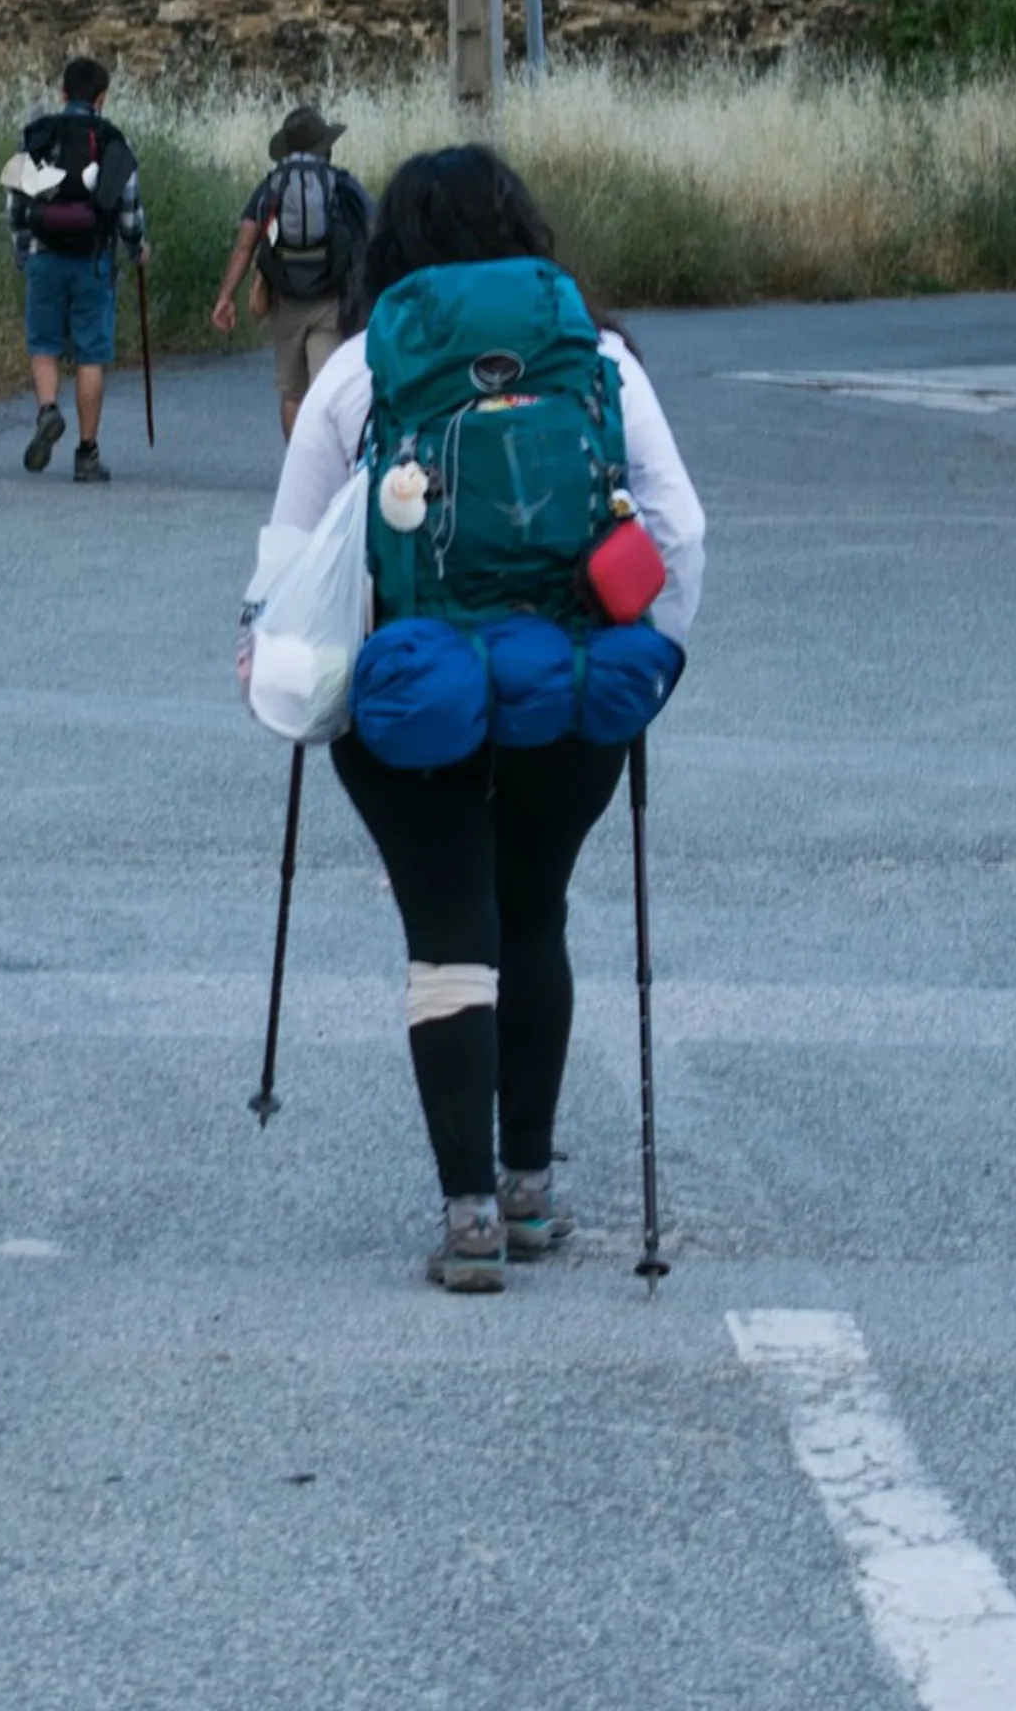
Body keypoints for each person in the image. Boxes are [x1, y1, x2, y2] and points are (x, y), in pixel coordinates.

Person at [264, 145, 704, 1292]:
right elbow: (678, 529)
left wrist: (286, 674)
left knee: (449, 925)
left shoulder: (359, 372)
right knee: (535, 913)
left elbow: (294, 558)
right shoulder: (598, 359)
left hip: (411, 695)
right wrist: (651, 654)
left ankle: (466, 1219)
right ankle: (531, 1193)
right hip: (572, 684)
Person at [2, 55, 148, 484]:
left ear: (63, 94)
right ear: (101, 98)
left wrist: (23, 249)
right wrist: (137, 247)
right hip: (93, 260)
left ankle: (48, 410)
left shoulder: (39, 135)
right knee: (91, 355)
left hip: (45, 256)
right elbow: (129, 208)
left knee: (43, 344)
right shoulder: (113, 141)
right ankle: (87, 454)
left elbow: (15, 203)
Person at [211, 103, 372, 437]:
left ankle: (296, 468)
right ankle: (329, 473)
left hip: (285, 300)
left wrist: (225, 298)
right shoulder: (341, 185)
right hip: (330, 299)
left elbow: (245, 245)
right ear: (324, 146)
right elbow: (373, 233)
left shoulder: (270, 186)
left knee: (293, 393)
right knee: (326, 389)